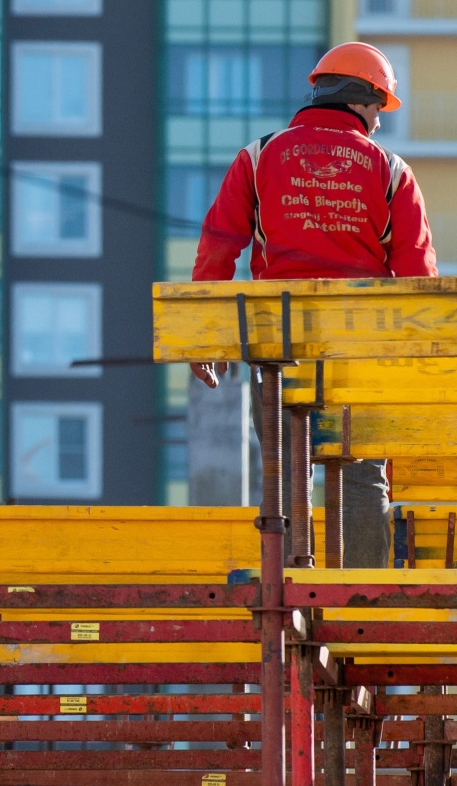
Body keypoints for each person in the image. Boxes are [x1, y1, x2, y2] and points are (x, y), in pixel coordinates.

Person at [187, 42, 439, 568]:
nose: (378, 122)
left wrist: (201, 334)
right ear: (363, 99)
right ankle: (361, 598)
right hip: (358, 347)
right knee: (363, 471)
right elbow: (417, 276)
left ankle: (289, 581)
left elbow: (218, 245)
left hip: (279, 345)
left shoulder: (258, 157)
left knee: (283, 468)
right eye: (378, 109)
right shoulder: (390, 170)